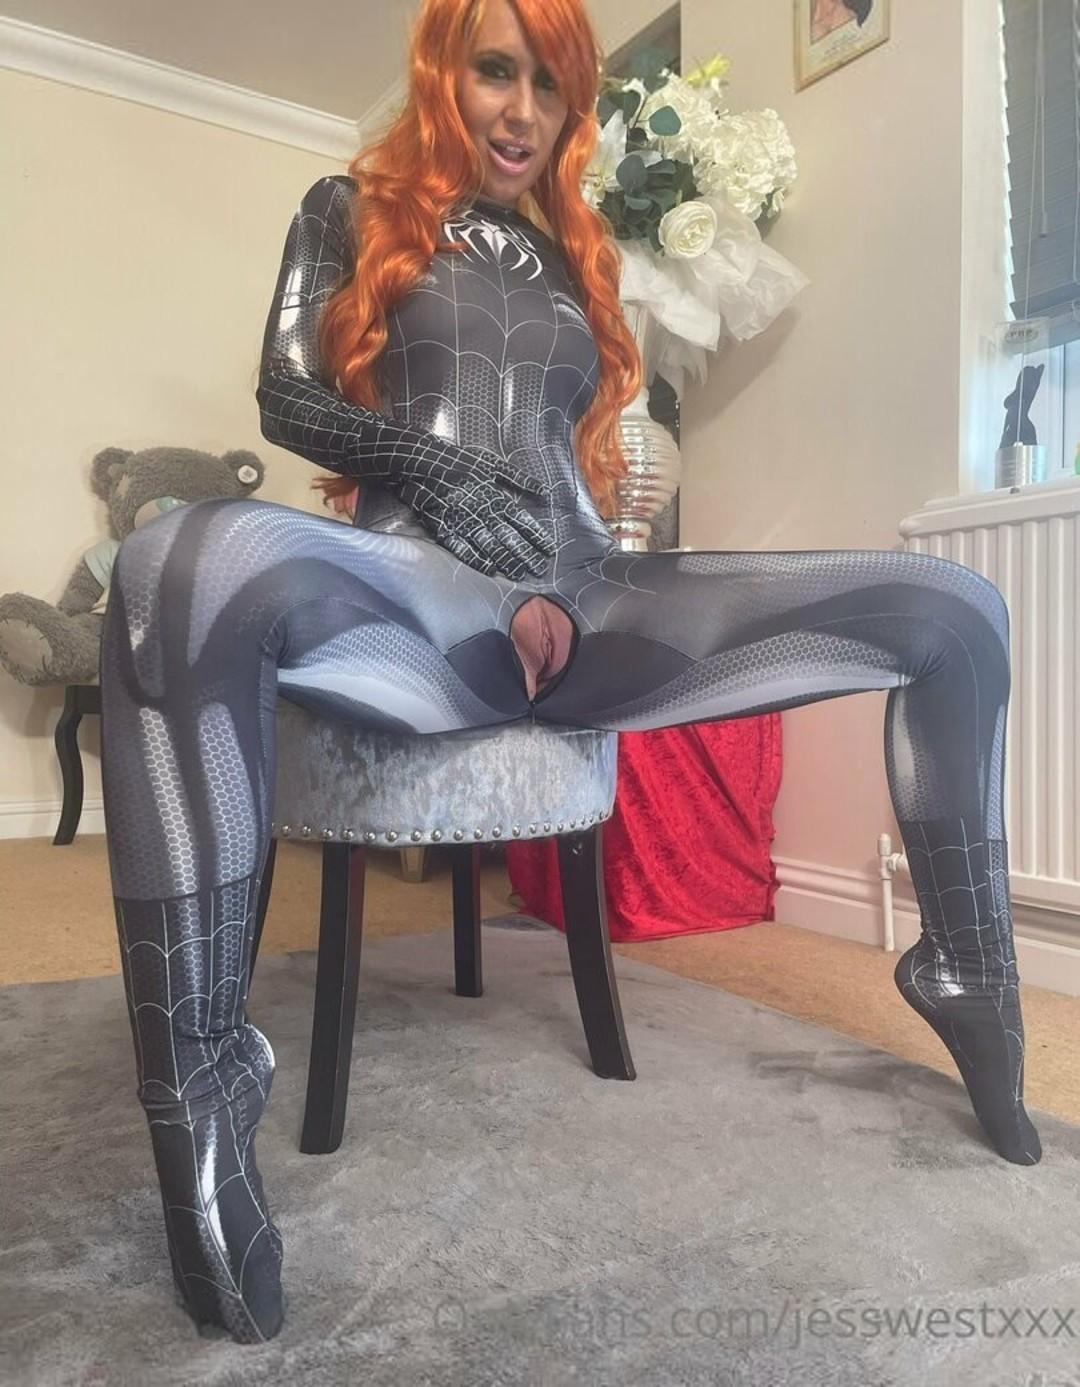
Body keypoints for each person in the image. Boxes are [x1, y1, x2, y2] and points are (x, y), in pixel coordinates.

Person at [99, 0, 1041, 1347]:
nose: (523, 110)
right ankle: (199, 1098)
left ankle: (969, 973)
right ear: (444, 72)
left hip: (591, 590)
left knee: (956, 609)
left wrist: (597, 536)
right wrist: (419, 465)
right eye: (498, 70)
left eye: (552, 84)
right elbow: (285, 395)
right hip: (422, 591)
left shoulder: (578, 257)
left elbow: (587, 450)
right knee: (170, 564)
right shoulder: (349, 208)